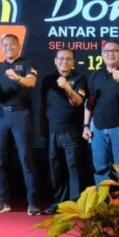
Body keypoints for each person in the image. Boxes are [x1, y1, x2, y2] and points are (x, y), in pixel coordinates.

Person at [0, 34, 41, 215]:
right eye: (4, 45)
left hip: (21, 114)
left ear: (18, 46)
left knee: (26, 159)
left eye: (11, 44)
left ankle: (33, 203)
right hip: (1, 116)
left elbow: (32, 82)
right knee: (1, 160)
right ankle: (3, 201)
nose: (8, 47)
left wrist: (17, 77)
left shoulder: (27, 64)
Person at [83, 40, 119, 185]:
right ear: (102, 54)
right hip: (98, 129)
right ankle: (103, 199)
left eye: (115, 50)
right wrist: (86, 125)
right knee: (101, 170)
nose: (111, 54)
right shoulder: (95, 75)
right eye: (107, 51)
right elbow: (90, 103)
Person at [40, 48, 87, 215]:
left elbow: (78, 101)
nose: (64, 62)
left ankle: (75, 204)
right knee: (55, 167)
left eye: (68, 59)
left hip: (71, 130)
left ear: (73, 62)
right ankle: (58, 203)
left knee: (73, 166)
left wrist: (67, 87)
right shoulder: (48, 80)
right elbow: (43, 104)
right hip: (52, 130)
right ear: (55, 61)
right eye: (61, 59)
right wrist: (42, 124)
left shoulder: (79, 79)